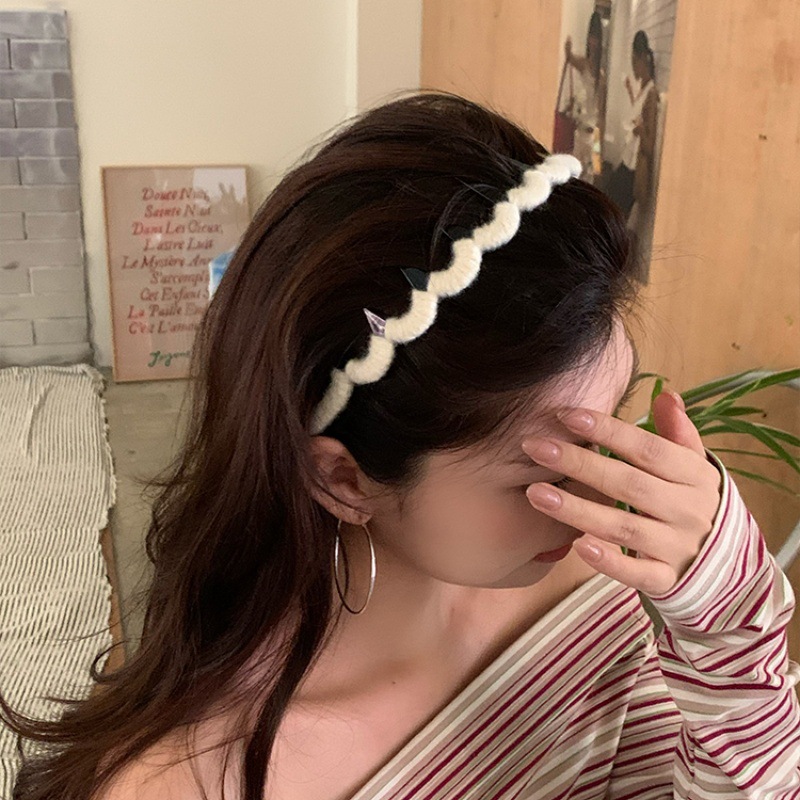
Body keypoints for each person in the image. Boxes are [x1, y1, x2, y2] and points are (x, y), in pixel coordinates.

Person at [2, 90, 798, 800]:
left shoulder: (611, 596)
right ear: (345, 480)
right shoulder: (196, 781)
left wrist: (729, 634)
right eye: (543, 473)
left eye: (611, 420)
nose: (601, 497)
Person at [606, 30, 660, 226]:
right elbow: (636, 114)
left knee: (614, 210)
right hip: (627, 160)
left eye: (634, 61)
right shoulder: (643, 88)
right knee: (610, 205)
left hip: (633, 169)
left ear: (642, 59)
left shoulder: (651, 93)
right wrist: (630, 91)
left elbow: (649, 145)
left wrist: (640, 129)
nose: (632, 66)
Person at [564, 12, 607, 184]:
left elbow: (601, 116)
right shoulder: (584, 64)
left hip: (592, 135)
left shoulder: (600, 76)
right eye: (591, 37)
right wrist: (567, 48)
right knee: (573, 176)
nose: (593, 42)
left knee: (588, 181)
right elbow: (570, 58)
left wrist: (598, 157)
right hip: (579, 132)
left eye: (596, 38)